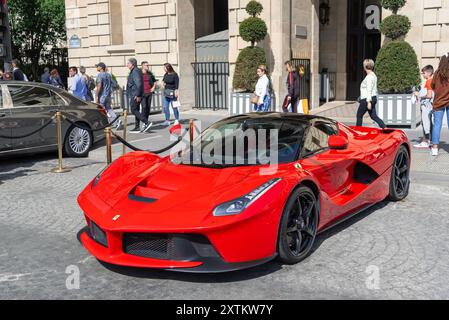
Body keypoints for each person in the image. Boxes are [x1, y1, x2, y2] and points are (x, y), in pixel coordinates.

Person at [356, 59, 386, 128]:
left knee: (359, 115)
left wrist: (369, 102)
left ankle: (358, 131)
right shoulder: (373, 75)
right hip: (373, 98)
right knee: (374, 116)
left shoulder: (369, 77)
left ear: (365, 66)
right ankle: (384, 127)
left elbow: (369, 89)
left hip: (367, 99)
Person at [430, 53, 449, 157]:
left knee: (437, 125)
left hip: (438, 102)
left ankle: (435, 148)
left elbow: (432, 85)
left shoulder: (437, 73)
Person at [127, 58, 151, 133]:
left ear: (132, 64)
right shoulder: (135, 70)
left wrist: (138, 95)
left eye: (128, 63)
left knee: (133, 110)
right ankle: (137, 127)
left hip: (135, 94)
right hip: (136, 93)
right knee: (136, 109)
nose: (127, 65)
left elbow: (139, 84)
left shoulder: (135, 71)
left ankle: (147, 122)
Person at [413, 65, 434, 149]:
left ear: (428, 73)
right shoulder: (432, 81)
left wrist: (418, 95)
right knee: (429, 123)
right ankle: (430, 140)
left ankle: (426, 141)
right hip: (430, 105)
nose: (422, 74)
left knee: (425, 123)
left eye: (423, 73)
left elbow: (429, 95)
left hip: (426, 106)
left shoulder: (429, 81)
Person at [96, 62, 119, 128]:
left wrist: (97, 95)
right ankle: (117, 122)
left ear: (101, 67)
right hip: (108, 95)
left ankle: (103, 124)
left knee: (100, 110)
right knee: (109, 109)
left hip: (102, 96)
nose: (97, 68)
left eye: (98, 66)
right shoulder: (108, 75)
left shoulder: (100, 75)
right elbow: (114, 84)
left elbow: (99, 86)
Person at [141, 61, 157, 127]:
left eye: (148, 65)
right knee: (144, 107)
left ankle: (146, 122)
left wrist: (153, 87)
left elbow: (155, 81)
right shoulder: (139, 74)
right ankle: (144, 121)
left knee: (148, 108)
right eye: (146, 65)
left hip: (149, 92)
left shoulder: (150, 74)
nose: (147, 66)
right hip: (142, 93)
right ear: (142, 66)